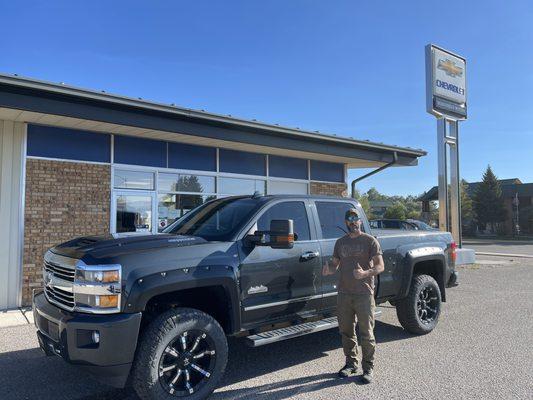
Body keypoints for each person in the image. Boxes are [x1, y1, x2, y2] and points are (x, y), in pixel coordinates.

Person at [322, 208, 384, 384]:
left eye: (355, 218)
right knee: (346, 331)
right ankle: (351, 364)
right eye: (349, 219)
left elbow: (380, 266)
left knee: (366, 333)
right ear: (345, 223)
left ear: (360, 221)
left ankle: (368, 368)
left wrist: (365, 273)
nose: (352, 222)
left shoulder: (370, 241)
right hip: (344, 293)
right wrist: (329, 270)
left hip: (364, 294)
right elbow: (335, 264)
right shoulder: (340, 243)